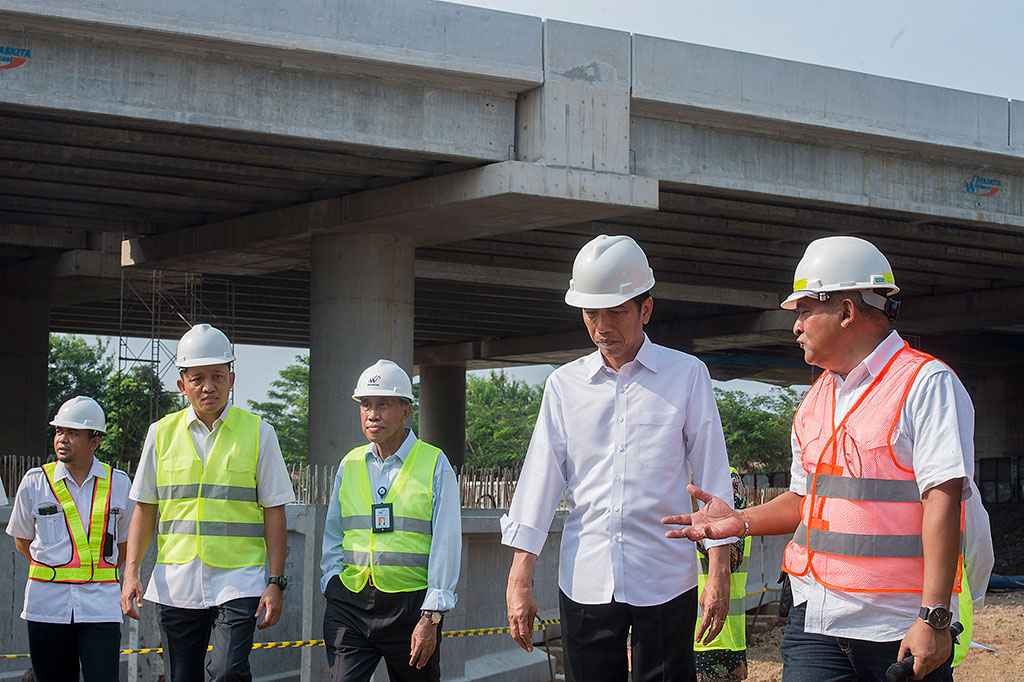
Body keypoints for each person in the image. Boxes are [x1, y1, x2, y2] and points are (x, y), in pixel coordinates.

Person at [663, 235, 977, 682]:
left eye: (806, 310)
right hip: (816, 622)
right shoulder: (817, 398)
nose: (796, 326)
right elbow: (802, 501)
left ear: (847, 311)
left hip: (896, 627)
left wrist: (934, 618)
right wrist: (740, 521)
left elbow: (942, 501)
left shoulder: (925, 385)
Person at [502, 234, 736, 682]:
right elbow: (540, 484)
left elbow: (714, 479)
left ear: (645, 310)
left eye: (616, 312)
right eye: (592, 314)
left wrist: (718, 571)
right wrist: (519, 578)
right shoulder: (563, 386)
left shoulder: (687, 376)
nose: (603, 326)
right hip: (585, 576)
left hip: (666, 577)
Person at [121, 324, 295, 682]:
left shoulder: (259, 433)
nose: (208, 386)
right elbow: (145, 507)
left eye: (217, 376)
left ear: (232, 379)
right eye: (197, 378)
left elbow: (274, 511)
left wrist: (275, 581)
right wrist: (131, 572)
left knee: (229, 671)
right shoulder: (160, 434)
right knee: (181, 675)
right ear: (181, 384)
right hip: (176, 581)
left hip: (238, 579)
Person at [320, 359, 461, 682]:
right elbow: (334, 531)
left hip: (411, 608)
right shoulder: (350, 463)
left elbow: (446, 542)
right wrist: (331, 580)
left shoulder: (435, 463)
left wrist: (432, 615)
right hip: (350, 603)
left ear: (406, 411)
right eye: (366, 405)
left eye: (383, 404)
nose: (372, 414)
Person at [7, 396, 134, 682]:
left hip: (101, 608)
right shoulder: (35, 481)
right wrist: (55, 569)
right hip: (47, 607)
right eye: (59, 431)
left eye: (73, 433)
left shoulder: (119, 484)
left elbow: (126, 543)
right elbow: (22, 540)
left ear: (94, 441)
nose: (62, 439)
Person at [694, 469, 750, 682]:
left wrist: (690, 503)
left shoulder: (725, 479)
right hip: (649, 631)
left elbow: (733, 557)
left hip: (713, 642)